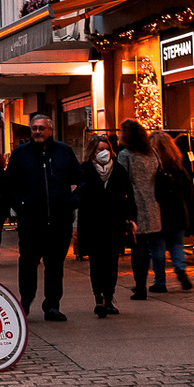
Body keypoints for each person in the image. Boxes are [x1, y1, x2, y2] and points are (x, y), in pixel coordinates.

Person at [3, 113, 82, 321]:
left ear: (50, 130)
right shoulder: (21, 154)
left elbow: (80, 180)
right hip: (31, 222)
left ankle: (52, 306)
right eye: (34, 128)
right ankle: (26, 302)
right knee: (28, 263)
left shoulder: (64, 152)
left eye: (41, 128)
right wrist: (20, 204)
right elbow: (9, 185)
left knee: (55, 265)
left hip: (59, 221)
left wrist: (72, 201)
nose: (37, 132)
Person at [77, 134, 135, 317]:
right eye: (100, 149)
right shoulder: (85, 170)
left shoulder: (118, 170)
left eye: (106, 149)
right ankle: (98, 298)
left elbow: (128, 195)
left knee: (111, 263)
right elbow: (79, 196)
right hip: (92, 224)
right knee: (96, 263)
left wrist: (131, 218)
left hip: (114, 224)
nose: (104, 153)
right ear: (92, 152)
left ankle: (109, 298)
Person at [118, 120, 163, 301]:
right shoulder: (152, 152)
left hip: (134, 204)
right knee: (152, 244)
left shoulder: (126, 155)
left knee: (138, 246)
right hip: (153, 202)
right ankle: (158, 280)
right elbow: (159, 170)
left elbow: (122, 180)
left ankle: (140, 286)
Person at [152, 132, 194, 291]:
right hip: (178, 211)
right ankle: (181, 270)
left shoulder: (154, 168)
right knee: (177, 244)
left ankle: (160, 281)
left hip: (160, 212)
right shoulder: (178, 166)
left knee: (158, 247)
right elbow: (188, 191)